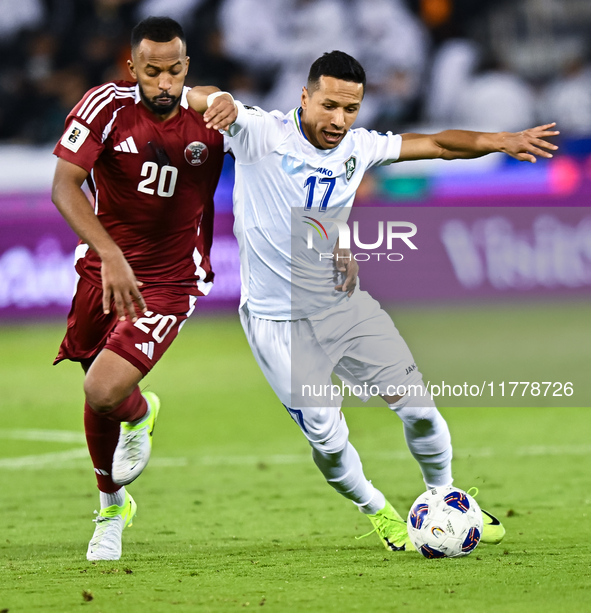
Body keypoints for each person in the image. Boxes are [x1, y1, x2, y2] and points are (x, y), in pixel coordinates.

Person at [187, 50, 558, 552]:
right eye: (330, 106)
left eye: (351, 109)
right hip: (279, 322)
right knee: (328, 439)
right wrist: (223, 101)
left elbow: (440, 146)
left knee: (421, 411)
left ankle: (446, 499)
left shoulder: (359, 146)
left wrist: (501, 141)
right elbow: (197, 96)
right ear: (305, 96)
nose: (339, 121)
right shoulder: (261, 134)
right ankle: (376, 510)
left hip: (342, 304)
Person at [51, 16, 225, 561]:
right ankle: (113, 503)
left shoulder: (216, 119)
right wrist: (109, 255)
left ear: (187, 68)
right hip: (104, 272)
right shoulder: (104, 106)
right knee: (103, 397)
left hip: (172, 278)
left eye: (175, 71)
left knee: (101, 389)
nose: (165, 83)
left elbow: (284, 153)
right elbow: (64, 186)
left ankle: (133, 427)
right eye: (153, 72)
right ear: (133, 68)